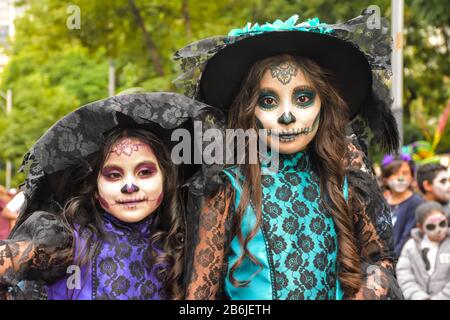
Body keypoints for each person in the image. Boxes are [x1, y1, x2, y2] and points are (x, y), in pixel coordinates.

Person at [176, 12, 403, 299]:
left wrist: (366, 290)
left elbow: (379, 259)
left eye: (303, 98)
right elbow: (200, 297)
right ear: (248, 110)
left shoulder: (347, 186)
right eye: (268, 101)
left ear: (325, 106)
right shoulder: (226, 189)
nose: (287, 116)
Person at [0, 92, 221, 300]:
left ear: (166, 178)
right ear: (95, 189)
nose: (130, 186)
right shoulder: (65, 239)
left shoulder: (182, 240)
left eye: (145, 172)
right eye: (114, 175)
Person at [396, 201, 450, 300]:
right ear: (420, 227)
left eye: (442, 224)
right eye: (431, 226)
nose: (439, 230)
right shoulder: (411, 246)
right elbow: (404, 273)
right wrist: (418, 296)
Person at [381, 154, 424, 257]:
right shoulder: (382, 202)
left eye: (405, 173)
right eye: (395, 173)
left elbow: (407, 238)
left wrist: (390, 262)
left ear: (412, 177)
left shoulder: (416, 203)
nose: (400, 178)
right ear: (385, 179)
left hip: (398, 263)